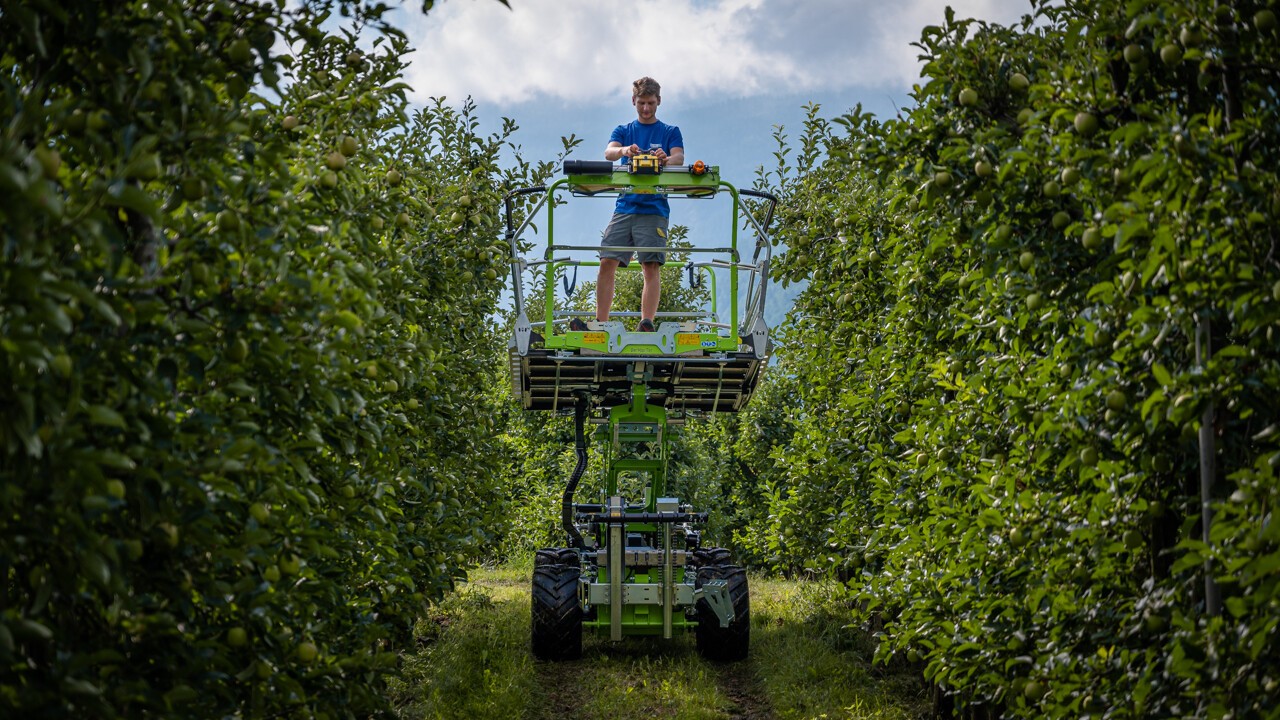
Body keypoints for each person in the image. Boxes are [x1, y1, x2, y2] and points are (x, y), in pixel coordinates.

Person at [571, 76, 684, 333]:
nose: (646, 108)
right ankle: (600, 322)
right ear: (633, 101)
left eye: (651, 103)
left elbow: (679, 157)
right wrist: (624, 152)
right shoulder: (623, 131)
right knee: (607, 261)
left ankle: (647, 322)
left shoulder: (669, 132)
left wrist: (665, 159)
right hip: (625, 206)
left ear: (659, 102)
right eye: (642, 103)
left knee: (651, 265)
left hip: (654, 208)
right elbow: (608, 152)